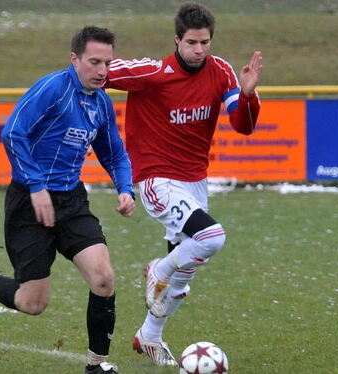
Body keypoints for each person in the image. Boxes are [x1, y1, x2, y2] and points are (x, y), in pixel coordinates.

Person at [0, 26, 135, 374]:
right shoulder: (53, 89)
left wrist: (125, 188)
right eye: (94, 62)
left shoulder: (102, 103)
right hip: (29, 203)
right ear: (74, 59)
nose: (102, 71)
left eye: (107, 63)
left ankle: (96, 365)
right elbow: (13, 133)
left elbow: (114, 153)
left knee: (103, 278)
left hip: (71, 201)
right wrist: (36, 186)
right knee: (33, 303)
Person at [105, 2, 263, 367]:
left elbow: (243, 125)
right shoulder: (154, 72)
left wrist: (249, 94)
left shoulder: (221, 71)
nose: (199, 50)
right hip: (155, 178)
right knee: (212, 238)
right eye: (191, 42)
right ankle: (157, 269)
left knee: (182, 282)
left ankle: (149, 335)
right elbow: (96, 71)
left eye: (205, 42)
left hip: (194, 183)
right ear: (177, 39)